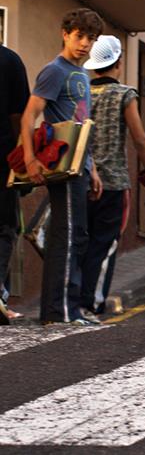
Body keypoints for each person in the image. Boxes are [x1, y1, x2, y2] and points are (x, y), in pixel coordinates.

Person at [17, 8, 104, 325]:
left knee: (75, 235)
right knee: (67, 237)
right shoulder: (54, 71)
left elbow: (82, 125)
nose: (84, 43)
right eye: (79, 36)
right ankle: (59, 311)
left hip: (80, 166)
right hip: (62, 166)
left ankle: (68, 307)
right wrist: (30, 158)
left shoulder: (82, 74)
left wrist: (92, 168)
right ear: (65, 34)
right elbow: (30, 116)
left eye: (90, 38)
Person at [79, 35, 145, 317]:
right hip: (113, 183)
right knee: (104, 244)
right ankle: (91, 302)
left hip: (80, 180)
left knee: (82, 240)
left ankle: (75, 300)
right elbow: (139, 139)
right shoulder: (124, 94)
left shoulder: (81, 91)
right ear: (119, 62)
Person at [0, 46, 30, 324]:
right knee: (5, 228)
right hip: (3, 160)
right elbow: (19, 118)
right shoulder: (9, 60)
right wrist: (26, 160)